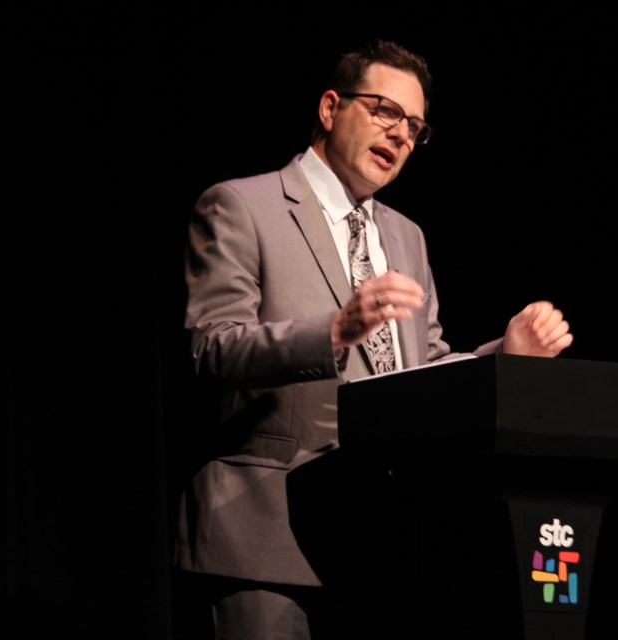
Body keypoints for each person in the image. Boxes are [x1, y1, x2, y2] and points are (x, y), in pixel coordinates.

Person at [172, 38, 573, 640]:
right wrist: (332, 333)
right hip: (265, 539)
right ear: (331, 108)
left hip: (379, 547)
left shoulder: (406, 237)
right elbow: (214, 346)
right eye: (384, 110)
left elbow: (425, 370)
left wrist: (504, 359)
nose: (401, 134)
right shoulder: (240, 205)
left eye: (414, 125)